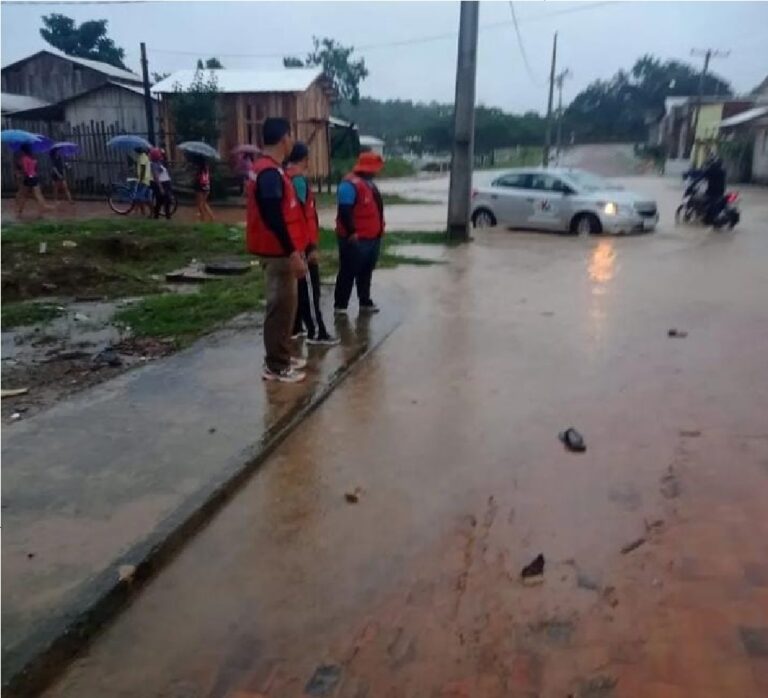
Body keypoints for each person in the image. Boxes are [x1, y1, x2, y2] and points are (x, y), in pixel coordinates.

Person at [245, 117, 309, 383]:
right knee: (280, 309)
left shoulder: (271, 169)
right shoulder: (269, 173)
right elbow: (273, 216)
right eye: (290, 136)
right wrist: (293, 252)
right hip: (278, 252)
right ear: (284, 138)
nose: (292, 141)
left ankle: (281, 355)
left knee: (286, 308)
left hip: (281, 249)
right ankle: (276, 366)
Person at [287, 142, 339, 346]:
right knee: (310, 288)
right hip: (303, 244)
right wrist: (311, 247)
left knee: (299, 287)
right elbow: (301, 217)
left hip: (295, 244)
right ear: (304, 158)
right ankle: (316, 332)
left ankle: (296, 326)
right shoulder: (298, 181)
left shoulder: (286, 177)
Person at [334, 151, 386, 315]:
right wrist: (352, 232)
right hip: (355, 239)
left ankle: (365, 301)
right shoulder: (349, 185)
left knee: (366, 270)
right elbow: (344, 210)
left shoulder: (369, 184)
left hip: (372, 237)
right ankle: (340, 306)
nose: (377, 172)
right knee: (348, 271)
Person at [16, 144, 52, 219]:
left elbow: (25, 170)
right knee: (38, 195)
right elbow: (35, 168)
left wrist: (20, 173)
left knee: (23, 195)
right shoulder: (33, 158)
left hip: (28, 178)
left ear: (23, 151)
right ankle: (42, 211)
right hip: (34, 177)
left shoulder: (24, 158)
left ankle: (19, 212)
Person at [149, 147, 173, 219]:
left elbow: (163, 156)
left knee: (164, 201)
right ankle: (165, 216)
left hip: (166, 183)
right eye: (159, 155)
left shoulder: (159, 162)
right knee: (163, 200)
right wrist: (161, 188)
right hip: (162, 184)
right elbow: (156, 177)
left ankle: (160, 216)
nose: (161, 156)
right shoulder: (154, 164)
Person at [192, 155, 214, 222]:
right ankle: (211, 216)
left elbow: (198, 178)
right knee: (204, 203)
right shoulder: (206, 168)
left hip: (200, 186)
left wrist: (194, 176)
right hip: (207, 186)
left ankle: (202, 218)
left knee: (200, 203)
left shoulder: (200, 169)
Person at [134, 146, 151, 216]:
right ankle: (145, 212)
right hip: (146, 180)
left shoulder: (142, 158)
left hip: (143, 180)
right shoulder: (144, 157)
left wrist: (140, 180)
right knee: (145, 197)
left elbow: (143, 169)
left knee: (138, 197)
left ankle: (136, 212)